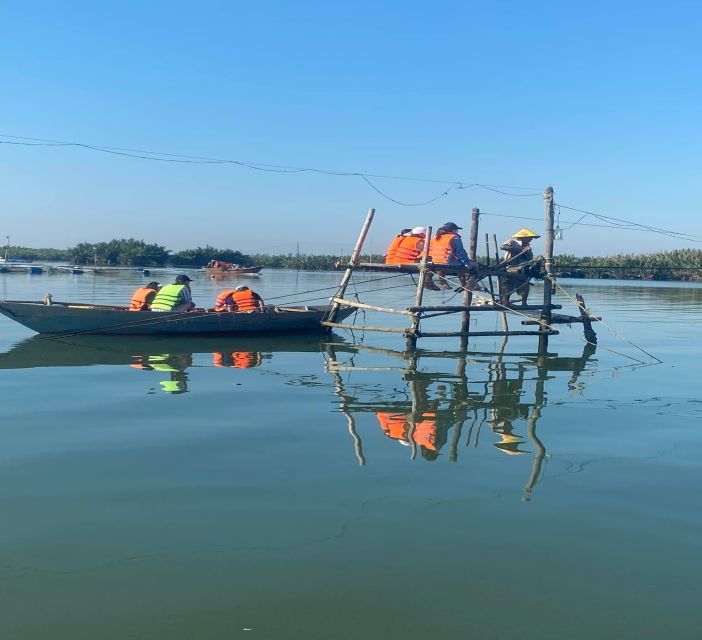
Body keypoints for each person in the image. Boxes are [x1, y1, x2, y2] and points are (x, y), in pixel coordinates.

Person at [430, 222, 480, 291]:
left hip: (434, 262)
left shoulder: (435, 237)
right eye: (456, 229)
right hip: (447, 262)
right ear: (453, 230)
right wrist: (466, 263)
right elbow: (460, 254)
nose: (457, 231)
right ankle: (469, 284)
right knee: (475, 266)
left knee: (459, 265)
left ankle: (465, 284)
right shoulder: (454, 238)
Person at [498, 228, 542, 306]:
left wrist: (527, 252)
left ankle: (524, 303)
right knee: (508, 285)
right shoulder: (513, 242)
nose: (531, 239)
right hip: (510, 267)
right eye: (529, 238)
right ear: (523, 237)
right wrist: (519, 249)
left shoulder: (528, 247)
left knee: (525, 285)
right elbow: (503, 247)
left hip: (523, 268)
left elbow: (529, 258)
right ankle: (506, 302)